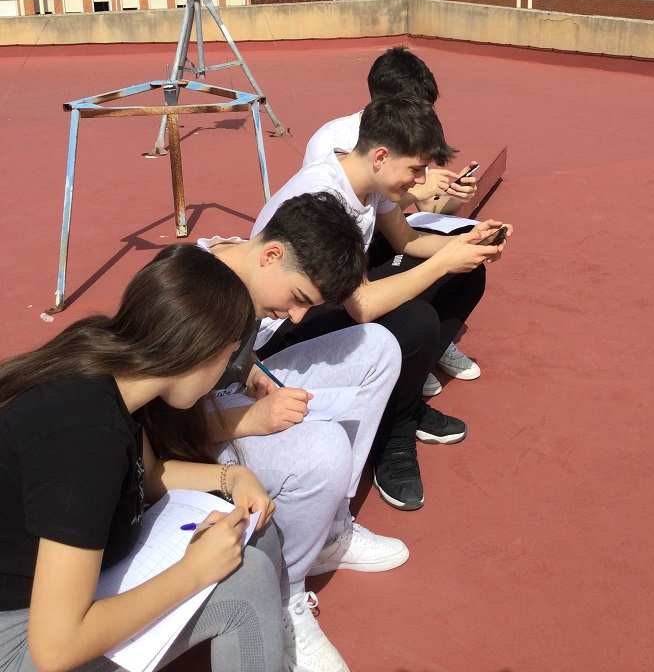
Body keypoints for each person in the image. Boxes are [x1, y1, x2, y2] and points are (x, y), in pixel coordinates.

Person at [0, 245, 283, 672]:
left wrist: (232, 477)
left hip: (50, 599)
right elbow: (55, 649)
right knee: (247, 581)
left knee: (252, 528)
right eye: (228, 355)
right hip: (19, 638)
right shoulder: (86, 437)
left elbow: (147, 474)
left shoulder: (109, 367)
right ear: (201, 349)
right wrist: (192, 572)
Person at [254, 97, 510, 512]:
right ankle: (395, 432)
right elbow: (363, 307)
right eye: (416, 170)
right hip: (279, 332)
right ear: (381, 157)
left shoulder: (371, 180)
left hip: (326, 300)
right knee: (415, 320)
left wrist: (468, 241)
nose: (422, 181)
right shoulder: (325, 197)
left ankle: (402, 397)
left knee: (466, 273)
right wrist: (446, 259)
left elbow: (406, 240)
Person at [197, 192, 407, 672]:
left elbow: (231, 358)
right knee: (324, 448)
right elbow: (157, 424)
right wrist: (252, 420)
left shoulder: (247, 270)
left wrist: (251, 370)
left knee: (378, 347)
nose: (295, 317)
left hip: (226, 397)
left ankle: (328, 531)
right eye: (298, 299)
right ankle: (283, 592)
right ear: (272, 254)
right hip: (196, 435)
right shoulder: (195, 299)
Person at [303, 45, 484, 392]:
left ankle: (428, 350)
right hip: (344, 263)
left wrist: (461, 219)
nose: (424, 118)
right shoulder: (337, 149)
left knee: (468, 267)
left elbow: (418, 214)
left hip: (379, 236)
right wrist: (444, 256)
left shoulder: (402, 138)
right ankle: (414, 355)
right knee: (418, 313)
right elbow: (360, 298)